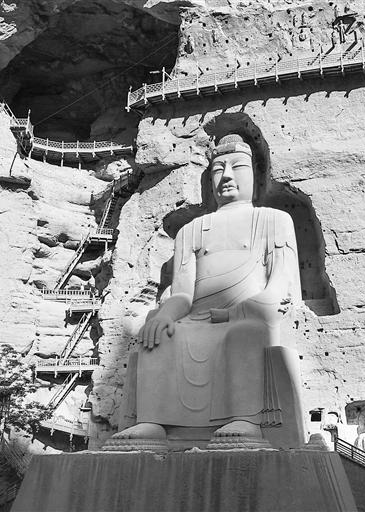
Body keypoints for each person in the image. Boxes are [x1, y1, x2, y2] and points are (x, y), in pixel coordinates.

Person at [106, 134, 305, 450]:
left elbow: (281, 284)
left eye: (237, 167)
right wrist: (166, 315)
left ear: (256, 176)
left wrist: (237, 312)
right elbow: (183, 293)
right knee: (159, 334)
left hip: (245, 315)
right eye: (217, 170)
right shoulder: (191, 231)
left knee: (246, 333)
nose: (226, 176)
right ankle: (152, 423)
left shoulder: (272, 220)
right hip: (198, 319)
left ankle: (245, 420)